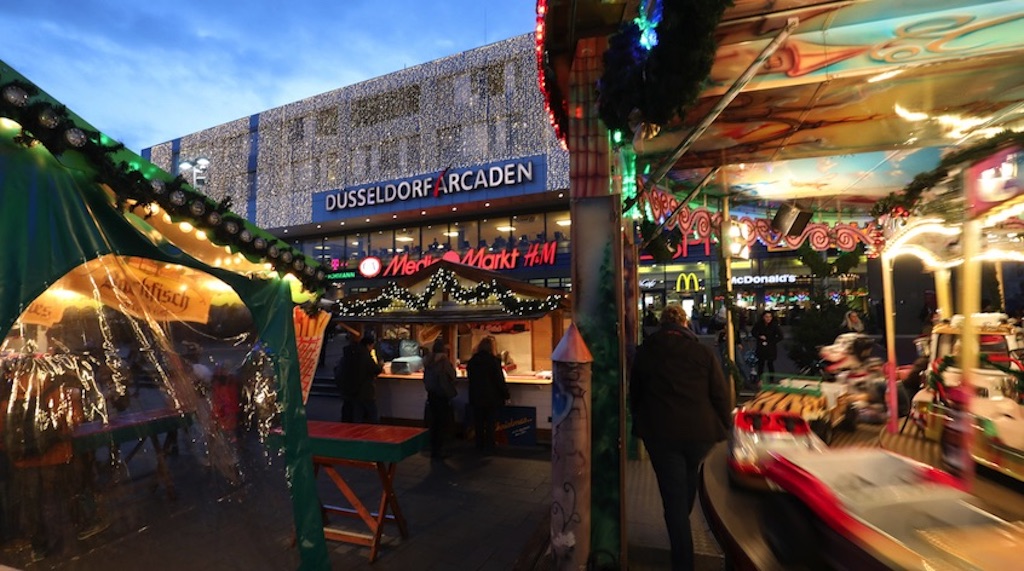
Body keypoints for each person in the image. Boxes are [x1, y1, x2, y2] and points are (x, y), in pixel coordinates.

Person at [630, 304, 731, 571]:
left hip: (662, 434)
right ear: (685, 323)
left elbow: (635, 393)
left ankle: (682, 560)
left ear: (662, 324)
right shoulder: (703, 352)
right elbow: (720, 393)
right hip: (700, 434)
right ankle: (680, 529)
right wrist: (726, 425)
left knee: (674, 497)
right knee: (685, 485)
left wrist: (640, 420)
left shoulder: (647, 352)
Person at [466, 336, 509, 453]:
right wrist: (506, 394)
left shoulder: (472, 362)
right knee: (490, 423)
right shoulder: (494, 361)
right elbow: (499, 380)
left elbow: (470, 379)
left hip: (476, 396)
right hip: (492, 397)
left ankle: (479, 445)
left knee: (478, 423)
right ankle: (490, 446)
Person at [422, 338, 457, 459]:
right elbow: (452, 375)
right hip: (442, 394)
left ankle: (433, 449)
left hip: (431, 394)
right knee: (442, 423)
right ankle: (439, 450)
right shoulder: (443, 361)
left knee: (434, 423)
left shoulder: (428, 360)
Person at [340, 334, 383, 423]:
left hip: (353, 389)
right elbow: (375, 370)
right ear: (368, 345)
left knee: (357, 412)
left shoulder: (351, 354)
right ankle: (376, 427)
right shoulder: (365, 355)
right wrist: (380, 365)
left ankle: (357, 429)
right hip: (365, 389)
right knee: (372, 411)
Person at [750, 310, 783, 384]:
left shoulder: (774, 325)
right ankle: (760, 379)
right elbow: (753, 332)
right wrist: (759, 336)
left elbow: (781, 336)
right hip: (761, 347)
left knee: (770, 363)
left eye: (770, 317)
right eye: (766, 317)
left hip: (770, 348)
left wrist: (772, 341)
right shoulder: (759, 324)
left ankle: (771, 379)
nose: (768, 318)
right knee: (761, 364)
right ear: (763, 317)